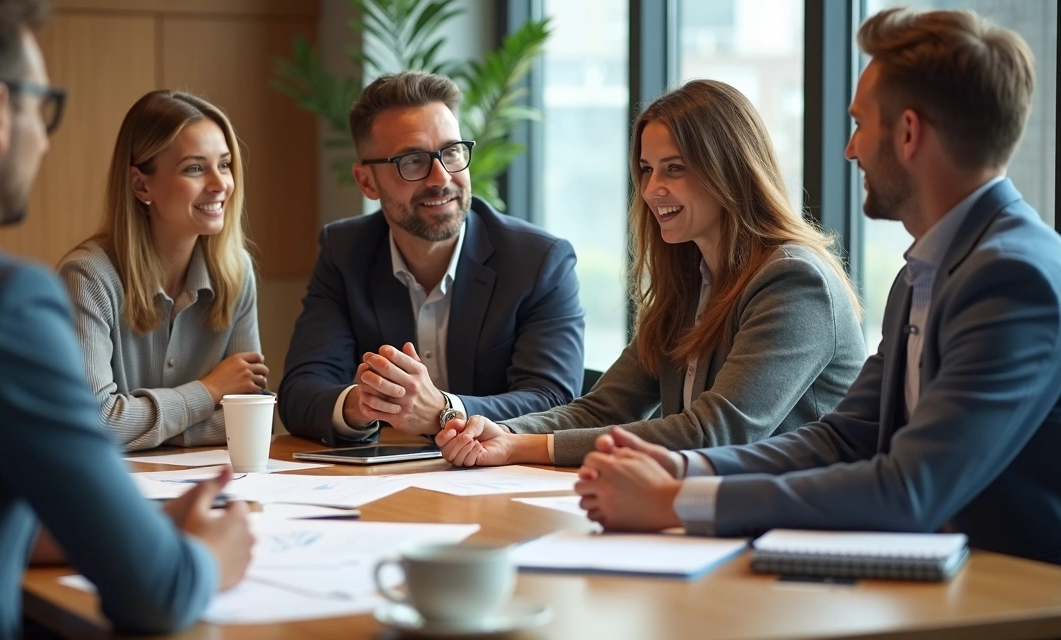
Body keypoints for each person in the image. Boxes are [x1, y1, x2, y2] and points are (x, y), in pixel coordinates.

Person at [575, 7, 1061, 566]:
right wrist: (686, 467)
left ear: (908, 133)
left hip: (1013, 592)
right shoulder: (923, 272)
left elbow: (908, 489)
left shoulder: (1011, 278)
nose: (851, 150)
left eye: (859, 124)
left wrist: (677, 501)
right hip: (939, 577)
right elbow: (842, 439)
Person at [0, 2, 254, 637]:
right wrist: (206, 556)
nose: (44, 136)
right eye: (44, 106)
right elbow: (157, 594)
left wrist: (131, 526)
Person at [436, 79, 866, 468]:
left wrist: (523, 447)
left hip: (800, 516)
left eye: (674, 168)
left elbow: (713, 434)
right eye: (647, 169)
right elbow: (603, 409)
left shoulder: (794, 281)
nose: (651, 189)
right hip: (716, 505)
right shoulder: (691, 284)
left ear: (729, 170)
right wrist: (503, 432)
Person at [278, 71, 586, 447]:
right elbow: (299, 392)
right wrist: (363, 403)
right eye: (412, 161)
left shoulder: (538, 261)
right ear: (367, 182)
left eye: (452, 151)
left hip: (497, 474)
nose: (441, 178)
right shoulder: (345, 252)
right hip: (387, 477)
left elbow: (553, 400)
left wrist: (443, 410)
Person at [59, 90, 268, 451]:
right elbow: (94, 422)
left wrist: (144, 428)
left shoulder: (236, 272)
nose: (220, 184)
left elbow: (251, 418)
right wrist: (209, 390)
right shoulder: (87, 277)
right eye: (195, 168)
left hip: (211, 481)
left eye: (224, 164)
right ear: (142, 185)